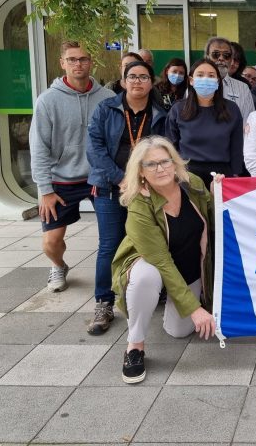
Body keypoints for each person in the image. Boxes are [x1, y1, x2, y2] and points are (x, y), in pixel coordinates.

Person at [112, 136, 216, 384]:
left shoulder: (193, 184)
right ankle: (134, 346)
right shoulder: (139, 204)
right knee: (148, 276)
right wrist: (194, 308)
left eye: (165, 161)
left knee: (179, 331)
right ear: (141, 171)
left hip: (189, 267)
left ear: (175, 162)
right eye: (151, 164)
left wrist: (218, 192)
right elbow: (161, 261)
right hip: (152, 264)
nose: (160, 169)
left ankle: (164, 299)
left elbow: (214, 217)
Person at [87, 60, 167, 334]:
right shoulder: (105, 109)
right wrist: (121, 178)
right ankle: (104, 302)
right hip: (111, 188)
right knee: (109, 244)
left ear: (151, 82)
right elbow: (95, 149)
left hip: (146, 190)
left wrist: (144, 181)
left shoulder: (159, 114)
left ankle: (149, 291)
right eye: (132, 76)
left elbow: (163, 150)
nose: (137, 82)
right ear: (123, 81)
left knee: (148, 240)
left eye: (143, 77)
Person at [30, 41, 114, 292]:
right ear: (62, 63)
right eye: (73, 59)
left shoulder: (107, 98)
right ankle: (59, 265)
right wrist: (45, 190)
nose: (79, 64)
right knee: (51, 242)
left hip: (99, 176)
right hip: (61, 181)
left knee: (113, 236)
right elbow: (38, 147)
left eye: (84, 59)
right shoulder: (47, 101)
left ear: (91, 62)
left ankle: (115, 279)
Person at [166, 59, 244, 187]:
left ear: (218, 81)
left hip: (222, 176)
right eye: (200, 75)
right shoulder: (178, 109)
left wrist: (235, 175)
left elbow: (236, 146)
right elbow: (170, 146)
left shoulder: (231, 109)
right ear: (191, 80)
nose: (206, 79)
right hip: (187, 175)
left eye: (211, 75)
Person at [205, 37, 254, 121]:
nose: (221, 58)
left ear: (231, 60)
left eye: (226, 55)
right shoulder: (196, 86)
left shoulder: (243, 88)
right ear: (207, 57)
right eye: (215, 54)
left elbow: (249, 122)